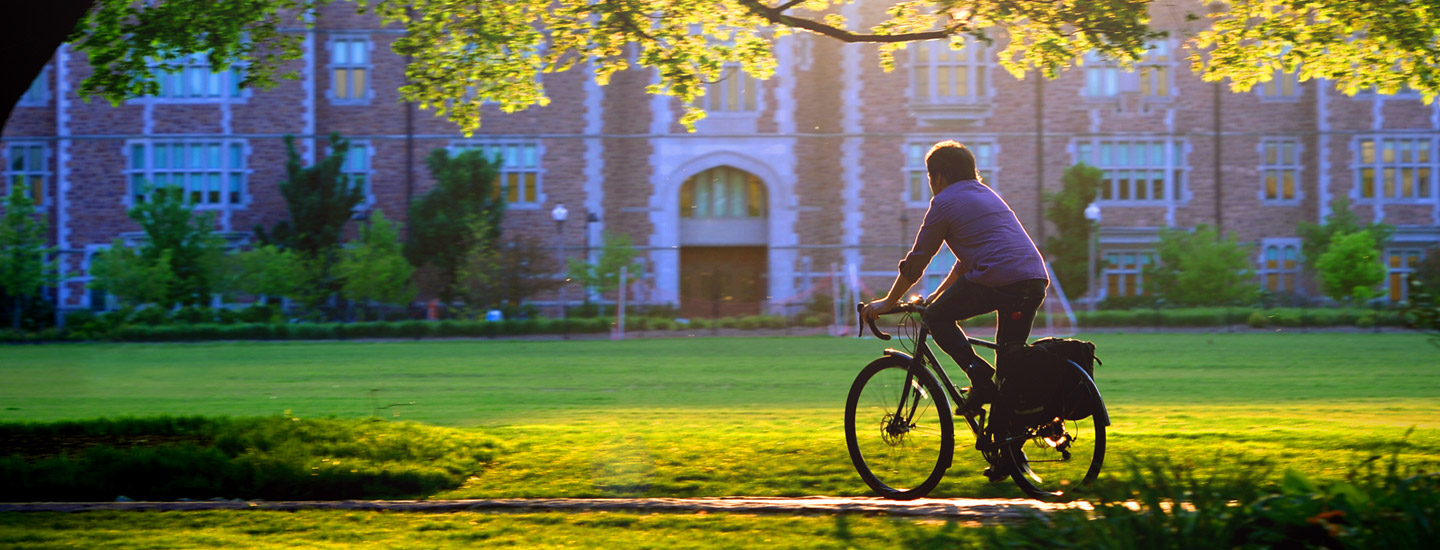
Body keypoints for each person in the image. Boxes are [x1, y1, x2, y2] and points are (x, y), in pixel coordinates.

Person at [861, 140, 1050, 413]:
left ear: (937, 177)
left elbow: (917, 261)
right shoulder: (987, 194)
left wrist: (888, 302)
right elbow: (965, 263)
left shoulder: (944, 202)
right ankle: (1007, 441)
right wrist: (937, 296)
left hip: (998, 279)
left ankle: (979, 376)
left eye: (929, 177)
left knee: (936, 317)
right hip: (1033, 280)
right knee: (1009, 361)